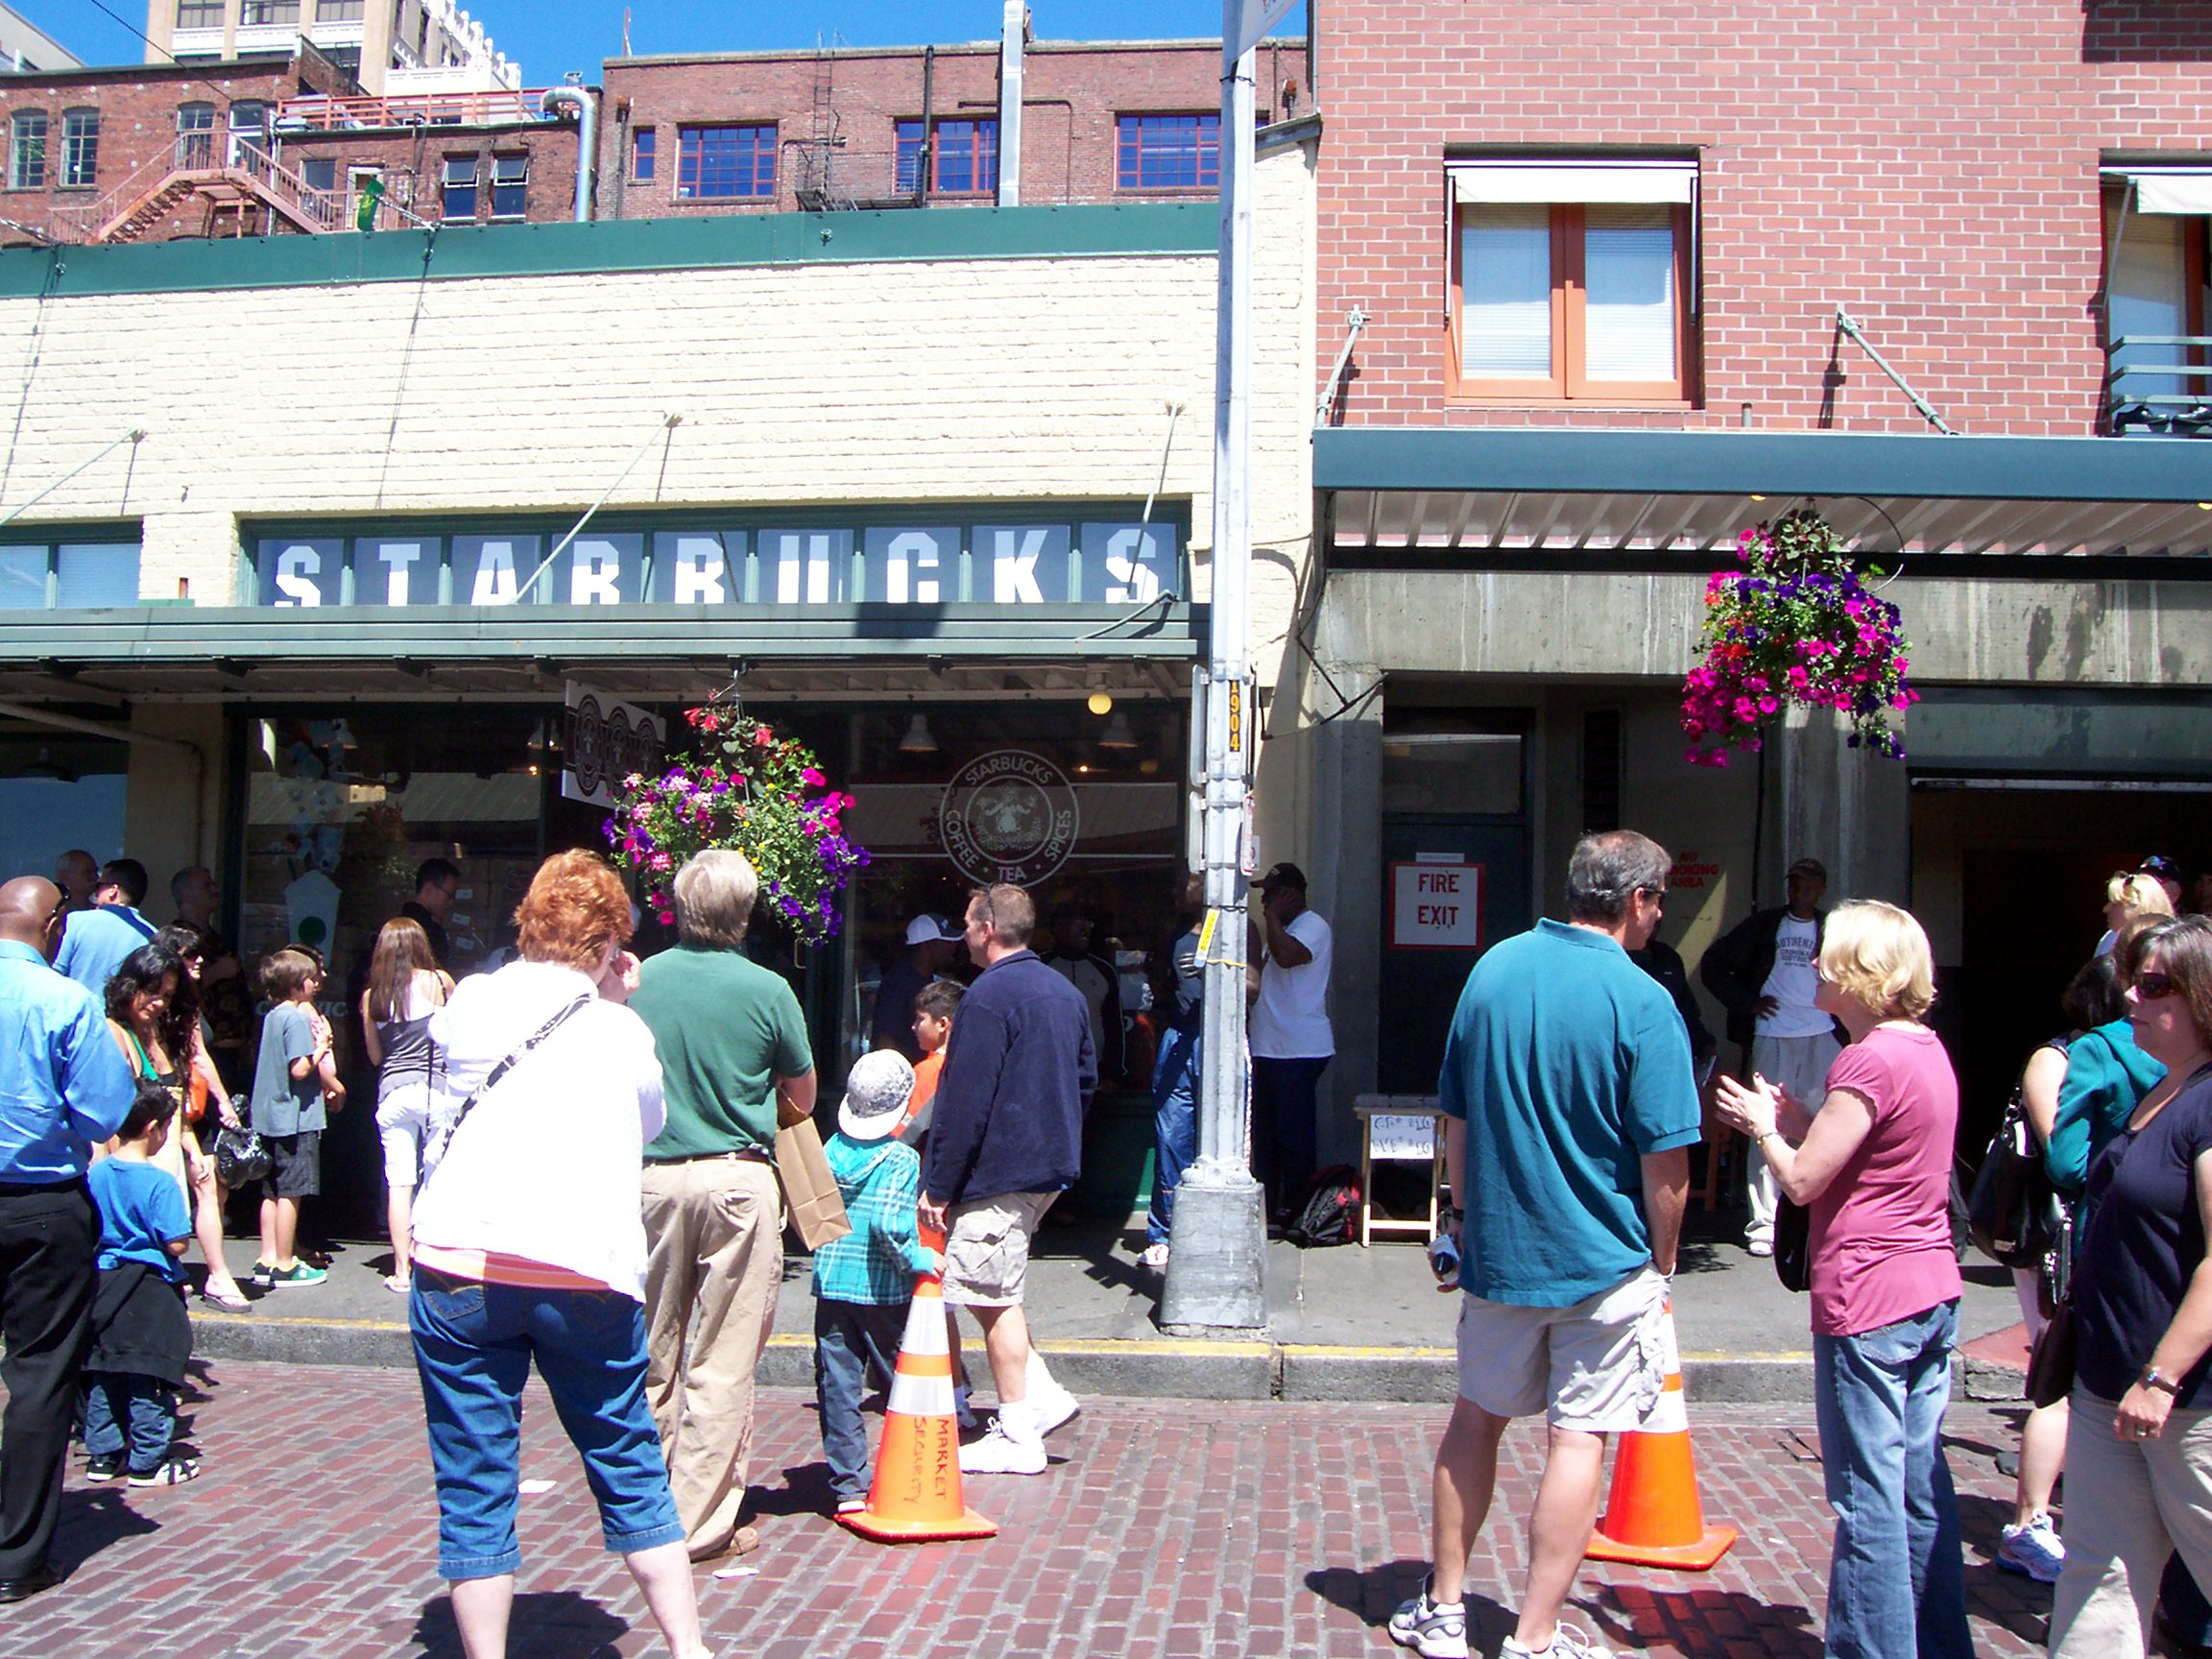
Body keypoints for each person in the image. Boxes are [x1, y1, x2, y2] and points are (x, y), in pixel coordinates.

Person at [1389, 830, 1698, 1659]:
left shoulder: (1493, 970)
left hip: (1501, 1251)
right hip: (1604, 1260)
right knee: (1579, 1438)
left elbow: (1454, 1117)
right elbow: (1666, 1162)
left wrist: (1457, 1217)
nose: (1661, 914)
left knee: (1477, 1419)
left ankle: (1446, 1607)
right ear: (1634, 901)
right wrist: (1663, 1263)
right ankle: (1535, 1634)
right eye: (1659, 898)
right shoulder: (1642, 1001)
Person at [408, 849, 709, 1659]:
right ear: (614, 944)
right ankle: (688, 1647)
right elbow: (646, 1123)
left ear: (530, 924)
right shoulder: (620, 1028)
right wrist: (614, 996)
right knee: (625, 1449)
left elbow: (442, 1054)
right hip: (584, 1267)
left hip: (460, 1258)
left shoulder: (470, 1000)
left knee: (474, 1475)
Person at [1715, 900, 1969, 1659]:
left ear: (1861, 974)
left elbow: (1803, 1182)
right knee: (1920, 1486)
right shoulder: (1924, 1049)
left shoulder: (1866, 1060)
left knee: (1868, 1498)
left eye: (1829, 955)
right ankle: (1938, 1640)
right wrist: (1797, 1119)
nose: (1815, 966)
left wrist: (1764, 1128)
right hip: (1930, 1287)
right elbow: (1870, 1148)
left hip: (1869, 1296)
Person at [627, 849, 815, 1564]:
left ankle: (644, 1507)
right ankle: (700, 1525)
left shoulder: (639, 983)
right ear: (743, 913)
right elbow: (801, 1096)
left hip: (651, 1177)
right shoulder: (767, 990)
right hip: (737, 1180)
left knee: (652, 1351)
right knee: (724, 1354)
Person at [2047, 915, 2212, 1657]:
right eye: (2129, 982)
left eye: (2152, 985)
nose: (2131, 999)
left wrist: (2163, 1375)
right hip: (2107, 1385)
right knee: (2098, 1578)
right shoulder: (2164, 1090)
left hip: (2183, 1400)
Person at [921, 883, 1094, 1477]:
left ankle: (1019, 1428)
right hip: (1046, 1164)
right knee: (986, 1283)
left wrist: (939, 1184)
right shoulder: (1064, 992)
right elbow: (1086, 1078)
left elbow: (964, 1098)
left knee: (991, 1295)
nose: (964, 934)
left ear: (988, 928)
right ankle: (1039, 1393)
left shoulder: (988, 997)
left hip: (1001, 1167)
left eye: (968, 924)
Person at [0, 876, 134, 1602]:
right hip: (38, 1202)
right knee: (40, 1375)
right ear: (53, 925)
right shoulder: (64, 1000)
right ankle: (16, 1557)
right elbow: (102, 1111)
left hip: (35, 1199)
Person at [1994, 953, 2133, 1584]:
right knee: (2057, 1368)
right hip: (2058, 1236)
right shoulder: (2060, 1058)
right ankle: (2029, 1523)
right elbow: (2064, 1158)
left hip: (2103, 1238)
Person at [1698, 854, 1840, 1257]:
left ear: (1822, 888)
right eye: (1795, 884)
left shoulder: (1833, 928)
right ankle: (1765, 1224)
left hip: (1822, 1033)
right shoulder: (1764, 926)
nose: (1801, 892)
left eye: (1809, 885)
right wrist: (1748, 1002)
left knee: (1825, 1124)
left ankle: (1819, 1217)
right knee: (1765, 1121)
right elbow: (1714, 964)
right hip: (1773, 1033)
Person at [812, 1049, 934, 1514]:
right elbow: (888, 1225)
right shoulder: (899, 1159)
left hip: (831, 1283)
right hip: (882, 1288)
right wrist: (917, 1257)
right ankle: (911, 1469)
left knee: (837, 1385)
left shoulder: (830, 1149)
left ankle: (848, 1486)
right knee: (902, 1381)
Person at [107, 942, 251, 1311]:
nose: (158, 1003)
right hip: (136, 1163)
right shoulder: (115, 1032)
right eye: (151, 992)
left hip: (166, 1150)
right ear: (130, 985)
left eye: (167, 995)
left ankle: (216, 1276)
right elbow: (108, 1114)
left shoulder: (158, 1031)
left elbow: (173, 1100)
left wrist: (191, 1146)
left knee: (200, 1193)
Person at [83, 1082, 200, 1488]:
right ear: (153, 1127)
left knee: (105, 1370)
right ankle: (148, 1460)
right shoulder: (160, 1182)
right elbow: (176, 1241)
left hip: (104, 1283)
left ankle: (103, 1454)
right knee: (148, 1375)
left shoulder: (96, 1175)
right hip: (148, 1288)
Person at [360, 917, 452, 1295]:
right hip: (436, 1090)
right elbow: (456, 1039)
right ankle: (438, 1264)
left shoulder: (372, 997)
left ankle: (401, 1271)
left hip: (393, 1093)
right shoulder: (440, 982)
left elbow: (375, 1056)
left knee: (399, 1182)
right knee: (439, 1176)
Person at [246, 947, 341, 1288]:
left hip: (269, 1116)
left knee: (270, 1191)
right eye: (311, 979)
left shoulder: (273, 1015)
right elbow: (300, 1069)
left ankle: (267, 1257)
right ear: (297, 983)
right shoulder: (298, 1018)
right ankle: (286, 1263)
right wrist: (322, 1046)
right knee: (292, 1191)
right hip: (296, 1118)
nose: (317, 984)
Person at [1247, 861, 1334, 1222]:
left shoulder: (1313, 926)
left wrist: (1273, 918)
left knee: (1292, 1135)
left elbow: (1287, 958)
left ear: (1291, 895)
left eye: (1271, 892)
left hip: (1299, 1049)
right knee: (1266, 1135)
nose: (1265, 899)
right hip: (1269, 1047)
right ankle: (1268, 1207)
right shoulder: (1282, 928)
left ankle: (1297, 1209)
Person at [1143, 871, 1205, 1272]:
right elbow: (1160, 984)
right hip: (1179, 1034)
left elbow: (1252, 987)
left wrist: (1217, 969)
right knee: (1171, 1133)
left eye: (1184, 885)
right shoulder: (1174, 932)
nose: (1176, 891)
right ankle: (1163, 1230)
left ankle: (1203, 1226)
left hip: (1216, 1039)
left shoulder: (1235, 928)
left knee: (1219, 1140)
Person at [53, 856, 158, 997]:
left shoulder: (75, 921)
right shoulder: (153, 936)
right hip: (123, 1017)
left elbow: (54, 975)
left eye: (99, 885)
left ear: (113, 891)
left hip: (77, 1016)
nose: (94, 892)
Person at [1045, 904, 1125, 1088]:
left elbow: (1114, 1025)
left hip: (1094, 1074)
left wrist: (1112, 1073)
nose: (1085, 928)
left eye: (1088, 922)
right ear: (1057, 928)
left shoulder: (1103, 971)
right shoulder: (1040, 967)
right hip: (1049, 1072)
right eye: (1076, 922)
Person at [872, 914, 960, 1061]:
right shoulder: (898, 982)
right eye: (946, 942)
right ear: (927, 945)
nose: (953, 947)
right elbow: (885, 1039)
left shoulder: (931, 981)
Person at [898, 976, 962, 1148]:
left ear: (942, 1024)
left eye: (920, 1019)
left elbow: (907, 1131)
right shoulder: (968, 1065)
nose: (914, 1026)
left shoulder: (929, 1070)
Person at [403, 855, 463, 972]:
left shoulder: (396, 925)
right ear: (429, 889)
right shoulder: (428, 932)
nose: (451, 902)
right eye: (449, 895)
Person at [2099, 872, 2175, 958]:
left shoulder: (2170, 947)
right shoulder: (2109, 939)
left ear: (2138, 907)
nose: (2105, 909)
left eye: (2115, 903)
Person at [52, 850, 99, 918]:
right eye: (87, 872)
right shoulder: (57, 913)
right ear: (64, 876)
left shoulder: (102, 911)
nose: (96, 877)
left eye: (96, 872)